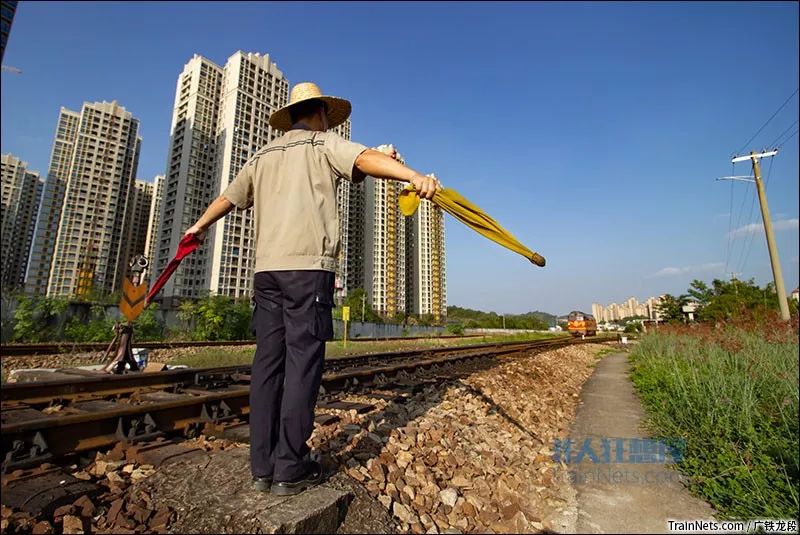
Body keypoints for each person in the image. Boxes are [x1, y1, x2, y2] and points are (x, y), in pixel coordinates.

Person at [183, 82, 440, 495]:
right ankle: (290, 466)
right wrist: (414, 176)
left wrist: (197, 227)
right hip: (308, 271)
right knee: (303, 364)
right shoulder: (323, 144)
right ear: (321, 113)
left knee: (267, 365)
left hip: (266, 274)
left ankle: (261, 467)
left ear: (293, 116)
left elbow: (227, 198)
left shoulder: (261, 155)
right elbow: (364, 158)